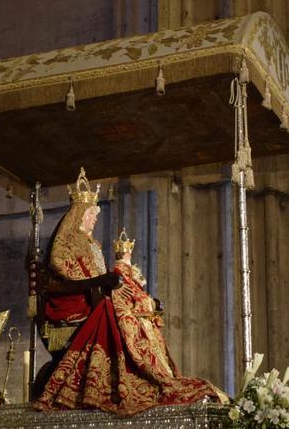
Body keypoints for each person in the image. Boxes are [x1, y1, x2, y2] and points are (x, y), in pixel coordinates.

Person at [35, 169, 226, 416]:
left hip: (95, 294)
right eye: (91, 215)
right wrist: (101, 281)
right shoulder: (68, 239)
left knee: (139, 310)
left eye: (95, 215)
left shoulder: (92, 243)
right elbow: (61, 265)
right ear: (80, 214)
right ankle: (134, 372)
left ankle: (155, 372)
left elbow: (102, 276)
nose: (94, 220)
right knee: (124, 314)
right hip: (75, 302)